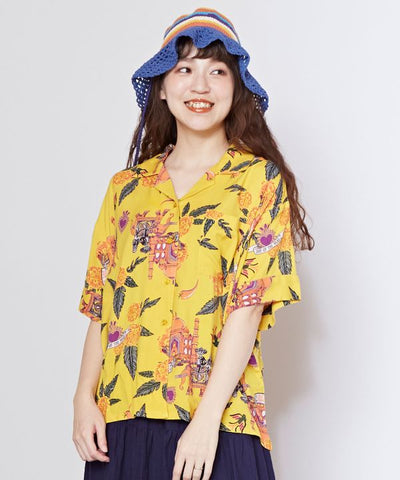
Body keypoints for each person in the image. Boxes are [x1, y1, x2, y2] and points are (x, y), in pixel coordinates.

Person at [72, 7, 314, 480]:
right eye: (184, 69)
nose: (200, 86)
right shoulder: (126, 188)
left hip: (220, 421)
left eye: (217, 71)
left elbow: (248, 307)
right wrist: (83, 397)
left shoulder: (258, 181)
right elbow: (103, 302)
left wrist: (206, 421)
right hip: (122, 417)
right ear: (162, 87)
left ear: (236, 87)